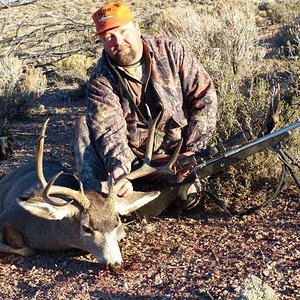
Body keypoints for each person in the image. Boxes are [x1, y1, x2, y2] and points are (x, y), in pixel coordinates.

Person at [73, 1, 218, 206]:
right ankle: (101, 203)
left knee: (189, 196)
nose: (118, 41)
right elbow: (107, 129)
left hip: (178, 156)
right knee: (84, 127)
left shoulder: (171, 52)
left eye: (123, 31)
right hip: (133, 164)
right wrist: (119, 169)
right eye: (109, 37)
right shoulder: (101, 80)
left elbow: (204, 97)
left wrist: (194, 150)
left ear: (137, 27)